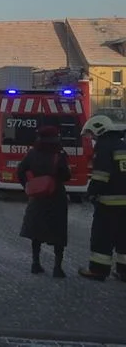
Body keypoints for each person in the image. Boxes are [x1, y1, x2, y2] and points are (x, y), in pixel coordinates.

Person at [16, 125, 71, 278]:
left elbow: (20, 171)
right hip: (56, 197)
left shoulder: (32, 154)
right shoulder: (59, 155)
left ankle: (35, 263)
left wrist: (29, 186)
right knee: (58, 232)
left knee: (36, 231)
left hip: (37, 198)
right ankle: (57, 268)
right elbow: (66, 175)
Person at [77, 115, 126, 282]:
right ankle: (124, 272)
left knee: (102, 237)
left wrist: (90, 193)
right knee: (124, 237)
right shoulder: (122, 144)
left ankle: (98, 270)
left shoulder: (104, 147)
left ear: (99, 129)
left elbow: (101, 176)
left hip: (109, 203)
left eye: (92, 134)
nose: (92, 138)